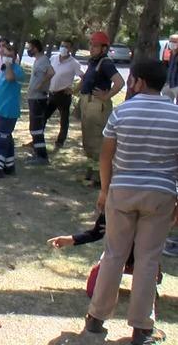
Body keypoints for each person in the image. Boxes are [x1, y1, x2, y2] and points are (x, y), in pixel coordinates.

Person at [84, 59, 178, 345]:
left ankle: (96, 317)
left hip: (123, 190)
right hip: (160, 193)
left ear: (139, 81)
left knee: (114, 254)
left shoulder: (122, 112)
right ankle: (142, 328)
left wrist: (104, 190)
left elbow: (106, 155)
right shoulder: (175, 116)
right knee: (148, 259)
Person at [79, 31, 125, 187]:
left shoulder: (106, 63)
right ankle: (91, 172)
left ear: (104, 48)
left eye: (95, 46)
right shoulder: (93, 62)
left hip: (97, 106)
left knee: (97, 141)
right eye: (91, 45)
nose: (91, 48)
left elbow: (119, 82)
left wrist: (107, 96)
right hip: (87, 103)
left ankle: (100, 178)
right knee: (88, 140)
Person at [0, 43, 24, 178]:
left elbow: (10, 78)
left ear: (15, 57)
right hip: (0, 108)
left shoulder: (17, 70)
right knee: (6, 136)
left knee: (1, 138)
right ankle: (9, 166)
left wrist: (9, 64)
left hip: (9, 110)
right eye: (4, 54)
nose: (6, 57)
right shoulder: (2, 68)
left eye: (10, 55)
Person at [46, 40, 84, 149]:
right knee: (43, 116)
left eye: (66, 46)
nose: (63, 48)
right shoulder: (53, 58)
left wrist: (74, 90)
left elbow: (83, 77)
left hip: (63, 95)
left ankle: (60, 141)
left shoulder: (74, 63)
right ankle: (37, 139)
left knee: (64, 120)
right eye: (62, 45)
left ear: (70, 49)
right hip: (51, 93)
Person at [26, 39, 54, 164]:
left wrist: (41, 85)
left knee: (36, 128)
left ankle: (42, 157)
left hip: (38, 98)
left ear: (36, 48)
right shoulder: (37, 60)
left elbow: (51, 72)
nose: (28, 50)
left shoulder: (43, 60)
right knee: (34, 128)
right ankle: (37, 153)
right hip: (33, 97)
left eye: (30, 47)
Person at [164, 34, 178, 103]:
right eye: (170, 41)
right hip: (168, 83)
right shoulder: (170, 53)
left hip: (176, 84)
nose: (172, 43)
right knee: (166, 103)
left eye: (174, 42)